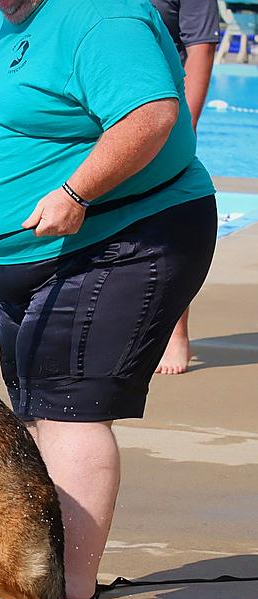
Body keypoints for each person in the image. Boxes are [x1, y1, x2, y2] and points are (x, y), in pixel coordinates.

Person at [0, 0, 218, 599]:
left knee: (67, 410)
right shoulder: (12, 14)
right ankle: (35, 573)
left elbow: (154, 114)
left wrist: (78, 191)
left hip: (123, 238)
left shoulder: (102, 16)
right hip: (38, 254)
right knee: (38, 411)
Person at [151, 0, 220, 374]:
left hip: (163, 106)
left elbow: (201, 47)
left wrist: (184, 128)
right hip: (102, 102)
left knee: (168, 216)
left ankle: (176, 330)